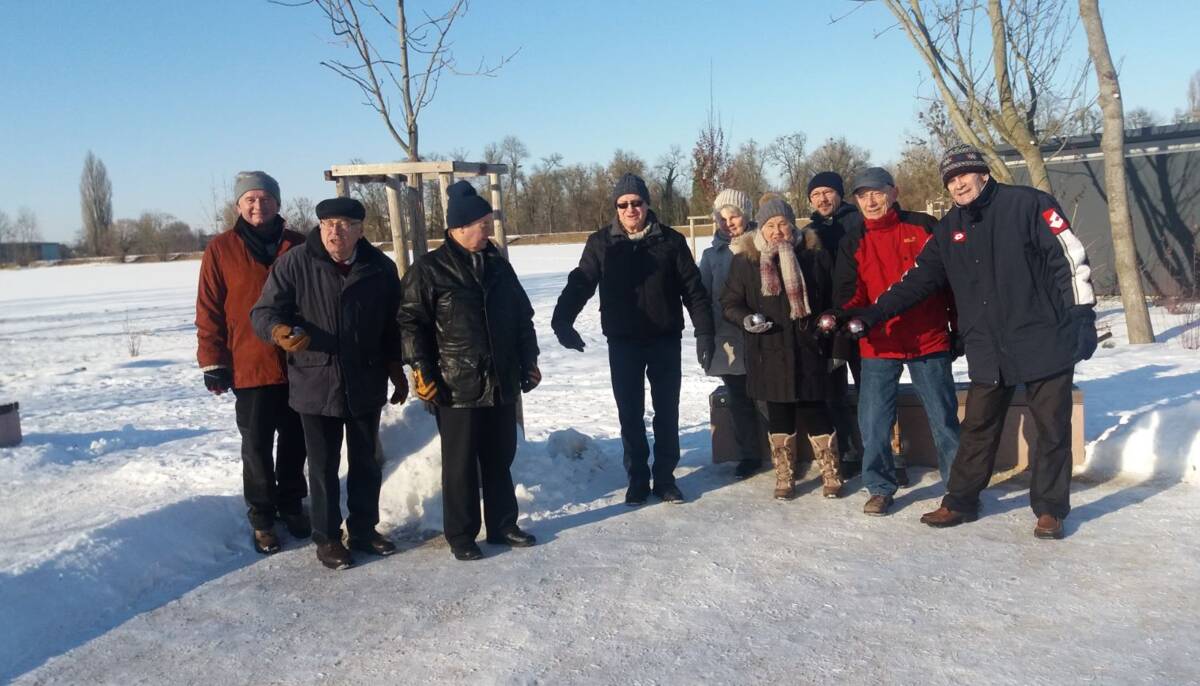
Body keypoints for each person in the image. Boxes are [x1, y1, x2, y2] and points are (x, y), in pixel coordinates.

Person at [844, 144, 1097, 539]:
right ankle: (960, 500)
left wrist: (1082, 315)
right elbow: (917, 281)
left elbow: (1069, 258)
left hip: (1042, 338)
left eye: (963, 175)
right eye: (950, 180)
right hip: (988, 347)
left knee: (1051, 428)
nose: (957, 184)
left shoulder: (1029, 204)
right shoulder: (948, 229)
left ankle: (1049, 509)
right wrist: (873, 314)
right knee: (978, 426)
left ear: (982, 173)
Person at [251, 197, 408, 570]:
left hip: (365, 379)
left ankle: (364, 530)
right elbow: (262, 312)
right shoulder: (296, 263)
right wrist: (279, 331)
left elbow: (393, 325)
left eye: (344, 224)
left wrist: (396, 368)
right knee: (321, 467)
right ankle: (327, 538)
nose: (334, 231)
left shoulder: (379, 268)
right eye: (328, 224)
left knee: (366, 462)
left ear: (360, 229)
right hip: (315, 380)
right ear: (320, 227)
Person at [398, 181, 540, 562]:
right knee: (460, 465)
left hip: (500, 379)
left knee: (500, 456)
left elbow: (522, 317)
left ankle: (502, 525)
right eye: (481, 223)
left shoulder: (498, 266)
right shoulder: (429, 270)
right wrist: (421, 369)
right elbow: (410, 323)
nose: (488, 230)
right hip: (455, 383)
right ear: (457, 228)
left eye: (488, 222)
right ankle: (461, 534)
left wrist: (529, 359)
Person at [552, 173, 714, 506]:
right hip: (623, 340)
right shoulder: (601, 243)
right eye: (623, 204)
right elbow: (581, 281)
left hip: (664, 338)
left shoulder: (670, 241)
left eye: (636, 203)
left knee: (667, 410)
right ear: (616, 208)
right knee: (630, 411)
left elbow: (693, 289)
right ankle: (638, 477)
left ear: (647, 204)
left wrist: (705, 332)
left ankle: (666, 478)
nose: (630, 209)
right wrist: (563, 320)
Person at [831, 167, 960, 516]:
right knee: (874, 421)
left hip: (928, 338)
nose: (871, 201)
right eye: (862, 195)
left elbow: (949, 281)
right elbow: (850, 290)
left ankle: (958, 486)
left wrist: (956, 327)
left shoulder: (923, 227)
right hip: (878, 342)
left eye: (877, 192)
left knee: (943, 417)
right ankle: (879, 486)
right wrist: (846, 316)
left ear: (894, 192)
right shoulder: (853, 239)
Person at [196, 170, 308, 555]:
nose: (258, 205)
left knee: (297, 442)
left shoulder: (299, 244)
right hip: (250, 365)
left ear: (278, 203)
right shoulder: (221, 249)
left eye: (265, 198)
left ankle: (292, 505)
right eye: (250, 199)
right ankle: (262, 518)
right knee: (257, 446)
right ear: (239, 206)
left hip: (299, 363)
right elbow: (209, 308)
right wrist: (213, 360)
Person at [720, 196, 845, 500]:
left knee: (816, 410)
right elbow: (730, 303)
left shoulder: (815, 256)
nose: (777, 231)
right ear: (761, 229)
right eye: (770, 225)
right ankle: (784, 473)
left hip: (808, 348)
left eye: (782, 224)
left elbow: (835, 299)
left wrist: (830, 325)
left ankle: (830, 469)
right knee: (779, 413)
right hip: (768, 350)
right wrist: (746, 319)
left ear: (793, 226)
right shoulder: (745, 261)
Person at [699, 188, 762, 479]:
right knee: (739, 398)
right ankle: (749, 454)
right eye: (721, 218)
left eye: (733, 216)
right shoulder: (711, 256)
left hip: (764, 335)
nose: (728, 223)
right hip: (728, 339)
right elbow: (702, 298)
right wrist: (705, 337)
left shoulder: (763, 244)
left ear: (746, 215)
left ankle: (784, 450)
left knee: (770, 396)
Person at [807, 171, 865, 479]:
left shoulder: (857, 222)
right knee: (834, 391)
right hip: (826, 323)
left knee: (871, 389)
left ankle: (883, 453)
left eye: (828, 192)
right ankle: (847, 450)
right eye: (816, 195)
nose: (823, 199)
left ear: (840, 195)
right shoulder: (809, 233)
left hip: (859, 317)